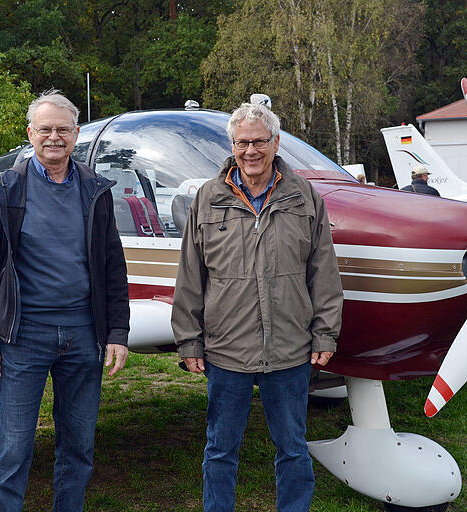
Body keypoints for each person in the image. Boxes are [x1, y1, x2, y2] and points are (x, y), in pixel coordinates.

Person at [171, 102, 343, 512]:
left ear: (275, 142)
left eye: (259, 141)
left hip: (289, 349)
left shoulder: (304, 196)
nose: (251, 150)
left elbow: (323, 270)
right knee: (220, 451)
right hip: (226, 350)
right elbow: (191, 275)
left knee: (293, 450)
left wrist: (325, 332)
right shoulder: (208, 199)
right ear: (232, 145)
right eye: (242, 142)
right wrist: (189, 341)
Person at [0, 89, 130, 512]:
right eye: (45, 129)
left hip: (84, 334)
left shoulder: (96, 189)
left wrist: (117, 331)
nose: (53, 137)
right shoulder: (3, 188)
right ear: (30, 134)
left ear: (76, 135)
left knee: (79, 446)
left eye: (62, 129)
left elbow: (113, 265)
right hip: (24, 337)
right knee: (13, 449)